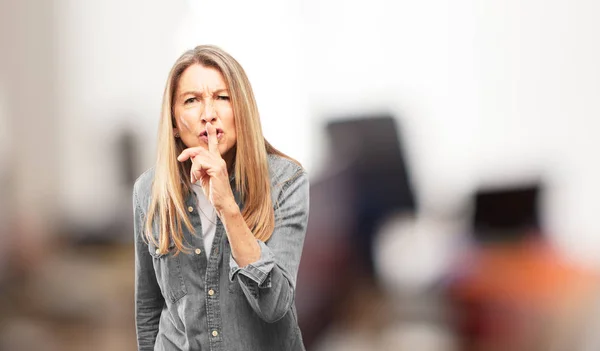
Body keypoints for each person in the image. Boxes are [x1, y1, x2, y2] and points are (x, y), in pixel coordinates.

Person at [133, 45, 310, 351]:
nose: (208, 115)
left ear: (242, 111)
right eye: (191, 101)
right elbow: (149, 309)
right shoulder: (149, 190)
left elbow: (274, 305)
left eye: (222, 98)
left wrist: (227, 206)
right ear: (174, 123)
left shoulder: (286, 181)